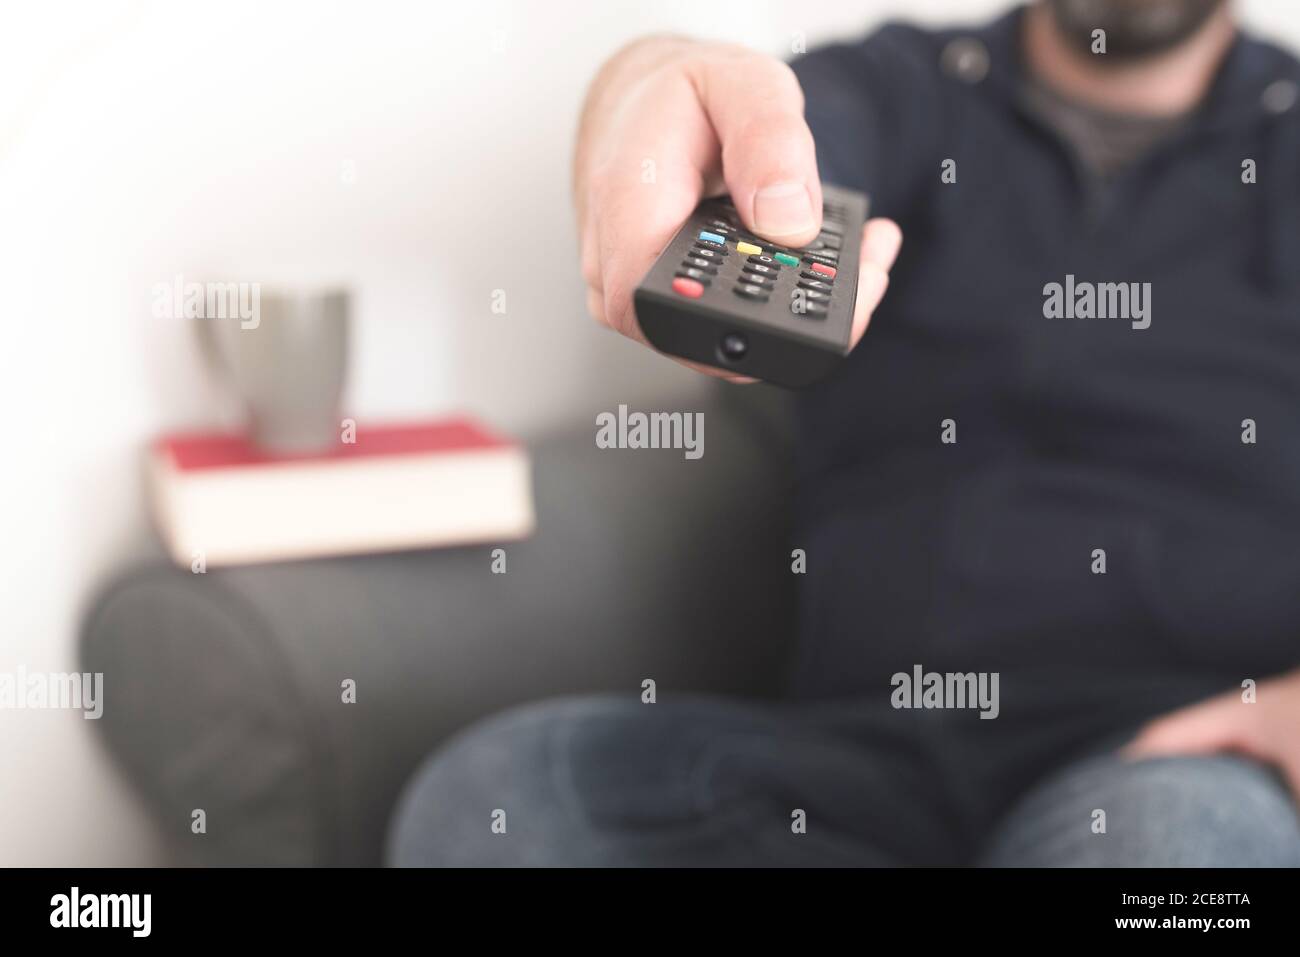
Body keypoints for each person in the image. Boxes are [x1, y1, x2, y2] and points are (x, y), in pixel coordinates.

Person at [390, 0, 1300, 866]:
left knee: (1176, 865)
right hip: (857, 760)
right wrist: (646, 83)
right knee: (498, 795)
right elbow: (748, 125)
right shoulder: (906, 87)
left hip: (1173, 747)